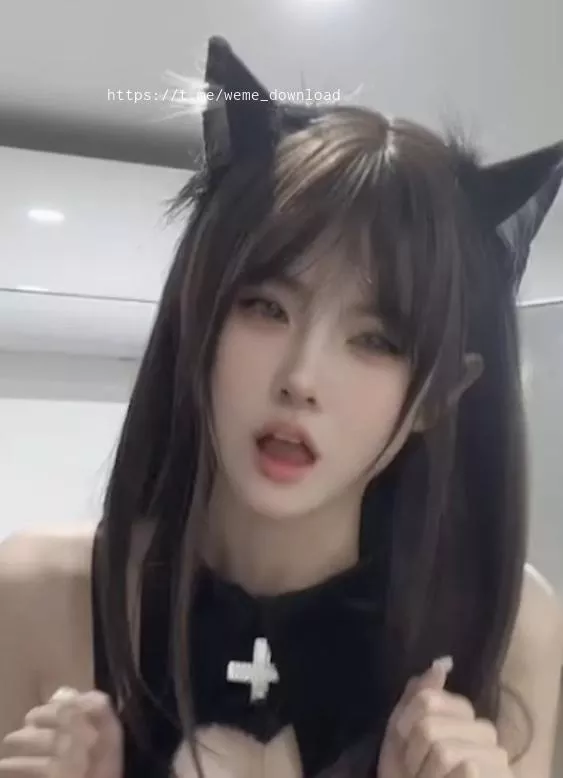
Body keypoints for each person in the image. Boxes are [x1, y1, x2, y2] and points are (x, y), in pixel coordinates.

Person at [1, 35, 562, 778]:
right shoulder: (40, 597)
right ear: (199, 323)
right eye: (266, 307)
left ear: (438, 395)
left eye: (375, 340)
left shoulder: (506, 630)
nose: (301, 378)